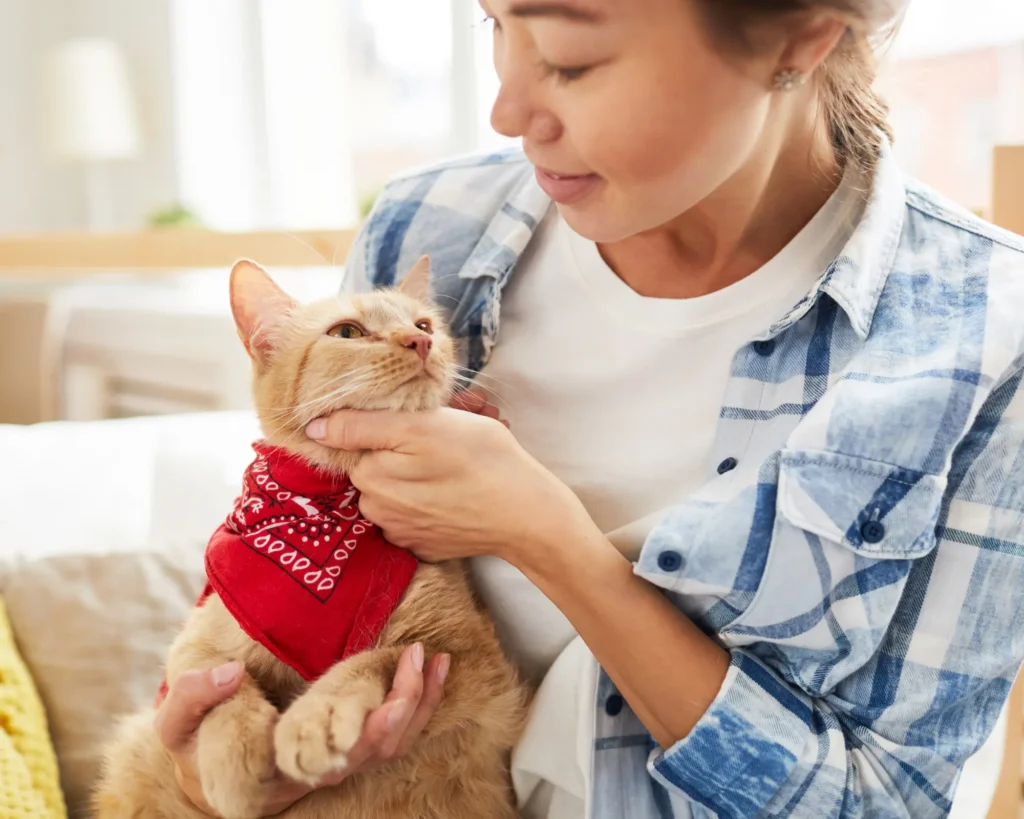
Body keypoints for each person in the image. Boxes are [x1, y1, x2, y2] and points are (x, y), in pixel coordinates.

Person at [155, 0, 1024, 816]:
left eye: (572, 60)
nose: (505, 108)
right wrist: (222, 761)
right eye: (494, 21)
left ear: (800, 37)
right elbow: (279, 575)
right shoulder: (427, 228)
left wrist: (548, 540)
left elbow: (880, 800)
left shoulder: (985, 335)